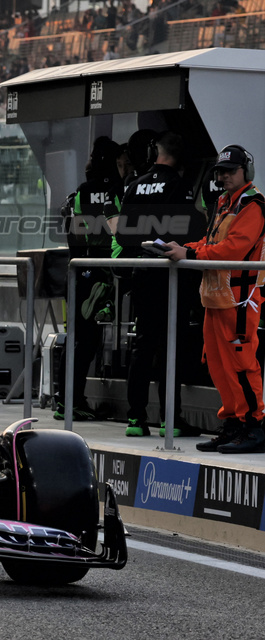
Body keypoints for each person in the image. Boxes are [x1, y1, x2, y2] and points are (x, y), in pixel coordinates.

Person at [164, 145, 265, 453]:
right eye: (220, 171)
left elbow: (234, 248)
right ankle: (234, 423)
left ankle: (255, 426)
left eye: (230, 171)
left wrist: (191, 253)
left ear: (245, 172)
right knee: (219, 365)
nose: (223, 176)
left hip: (239, 299)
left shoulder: (254, 205)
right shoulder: (223, 203)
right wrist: (180, 248)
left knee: (241, 363)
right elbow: (212, 242)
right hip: (216, 298)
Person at [113, 131, 203, 438]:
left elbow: (123, 236)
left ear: (155, 153)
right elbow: (192, 232)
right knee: (170, 346)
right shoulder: (179, 185)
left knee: (142, 345)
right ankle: (170, 420)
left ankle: (135, 419)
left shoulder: (135, 186)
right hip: (171, 275)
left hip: (142, 273)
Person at [61, 136, 124, 420]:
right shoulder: (115, 191)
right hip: (98, 270)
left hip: (77, 268)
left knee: (76, 338)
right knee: (85, 341)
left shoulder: (80, 192)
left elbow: (70, 232)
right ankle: (71, 401)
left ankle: (67, 400)